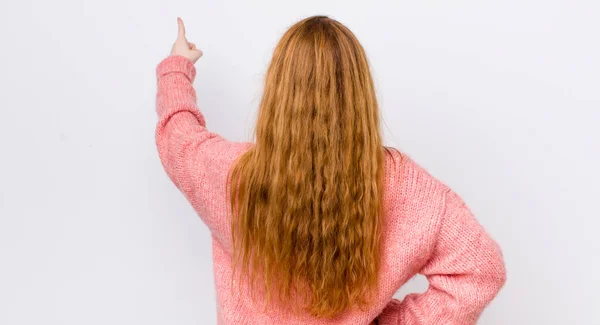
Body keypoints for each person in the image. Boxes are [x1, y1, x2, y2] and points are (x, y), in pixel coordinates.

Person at [155, 15, 506, 325]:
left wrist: (177, 65)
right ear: (359, 92)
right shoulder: (401, 184)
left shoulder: (229, 174)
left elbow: (178, 134)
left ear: (276, 90)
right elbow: (480, 269)